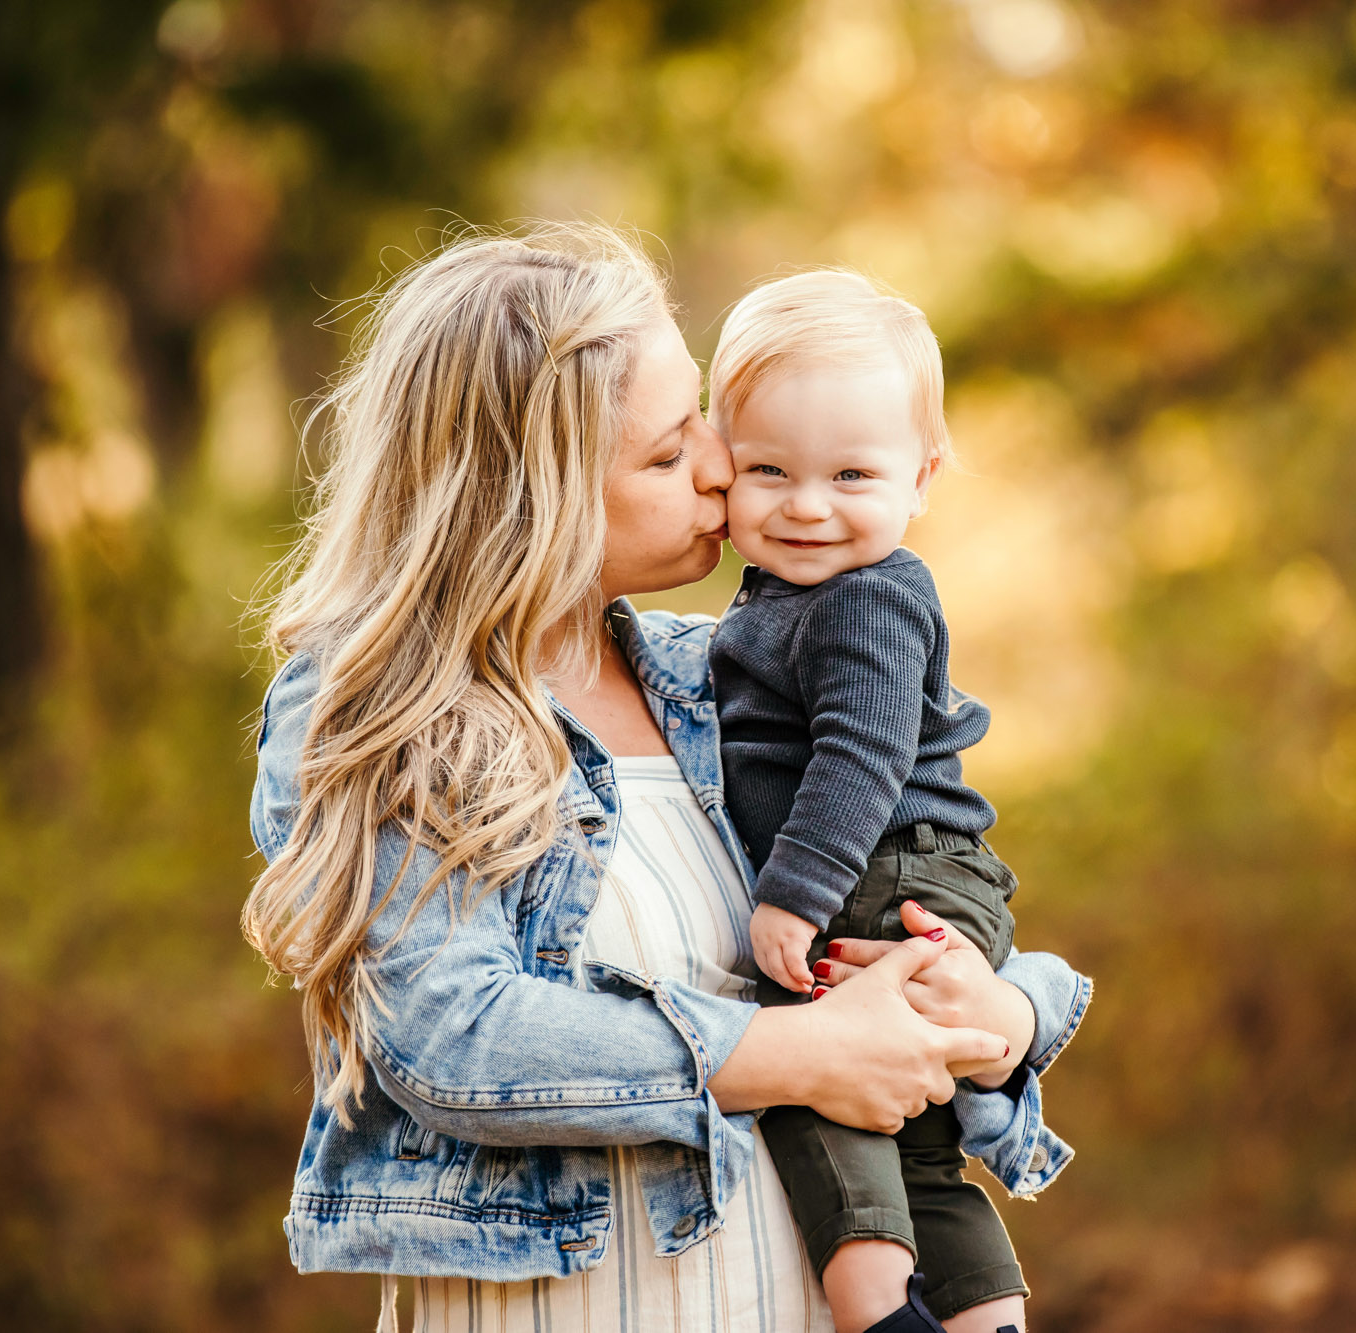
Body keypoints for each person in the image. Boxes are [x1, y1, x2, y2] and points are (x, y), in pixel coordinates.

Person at [241, 224, 1093, 1333]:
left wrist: (1011, 1009)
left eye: (698, 414)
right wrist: (800, 1052)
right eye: (660, 453)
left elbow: (926, 884)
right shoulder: (384, 711)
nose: (717, 463)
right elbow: (452, 1036)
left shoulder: (715, 672)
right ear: (529, 493)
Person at [706, 270, 1038, 1333]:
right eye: (768, 470)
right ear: (721, 463)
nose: (806, 505)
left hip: (880, 871)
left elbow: (860, 753)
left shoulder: (863, 597)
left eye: (851, 473)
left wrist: (792, 896)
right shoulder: (785, 595)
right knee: (922, 1146)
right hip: (910, 871)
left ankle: (879, 1317)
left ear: (922, 475)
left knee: (807, 1074)